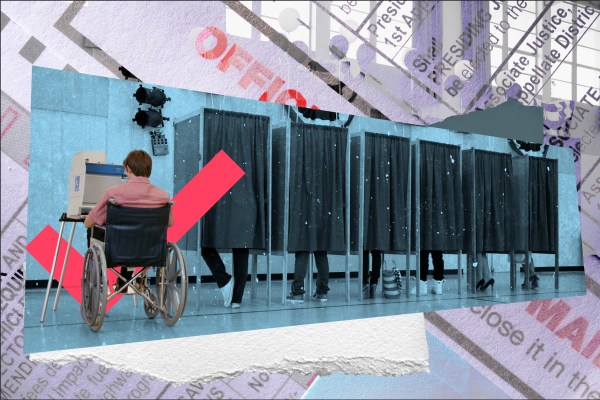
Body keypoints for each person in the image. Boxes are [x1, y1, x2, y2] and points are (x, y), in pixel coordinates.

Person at [84, 150, 173, 293]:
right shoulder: (163, 196)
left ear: (128, 169)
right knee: (136, 236)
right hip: (150, 250)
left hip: (118, 250)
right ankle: (125, 280)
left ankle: (100, 282)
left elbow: (88, 223)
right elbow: (170, 223)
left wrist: (92, 216)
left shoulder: (113, 193)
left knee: (94, 231)